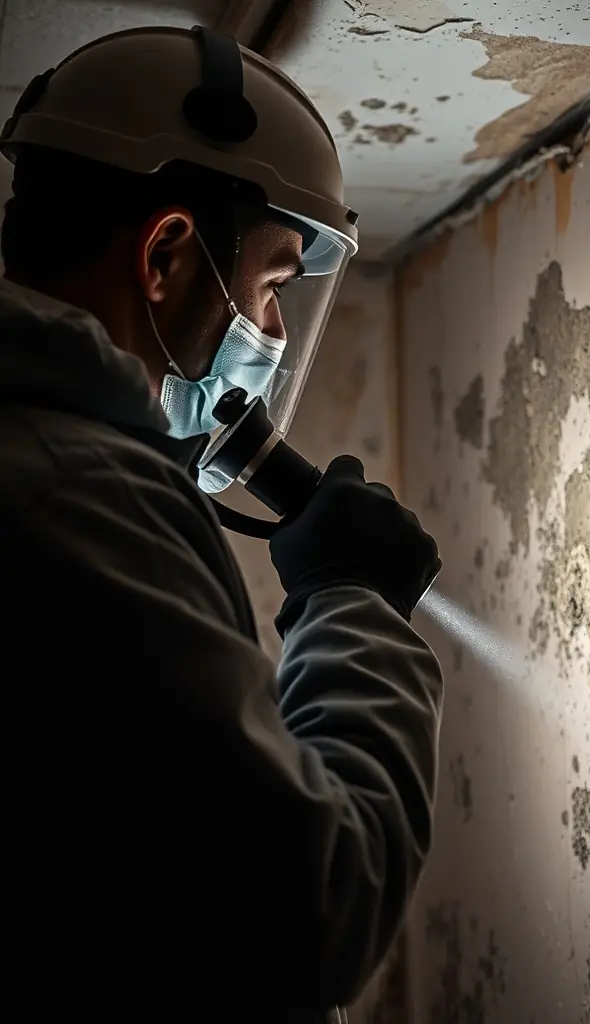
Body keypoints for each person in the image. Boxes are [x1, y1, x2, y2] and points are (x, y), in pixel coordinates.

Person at [0, 25, 442, 1021]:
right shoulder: (78, 501)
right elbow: (313, 909)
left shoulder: (56, 466)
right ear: (166, 256)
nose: (277, 335)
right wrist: (356, 605)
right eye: (275, 285)